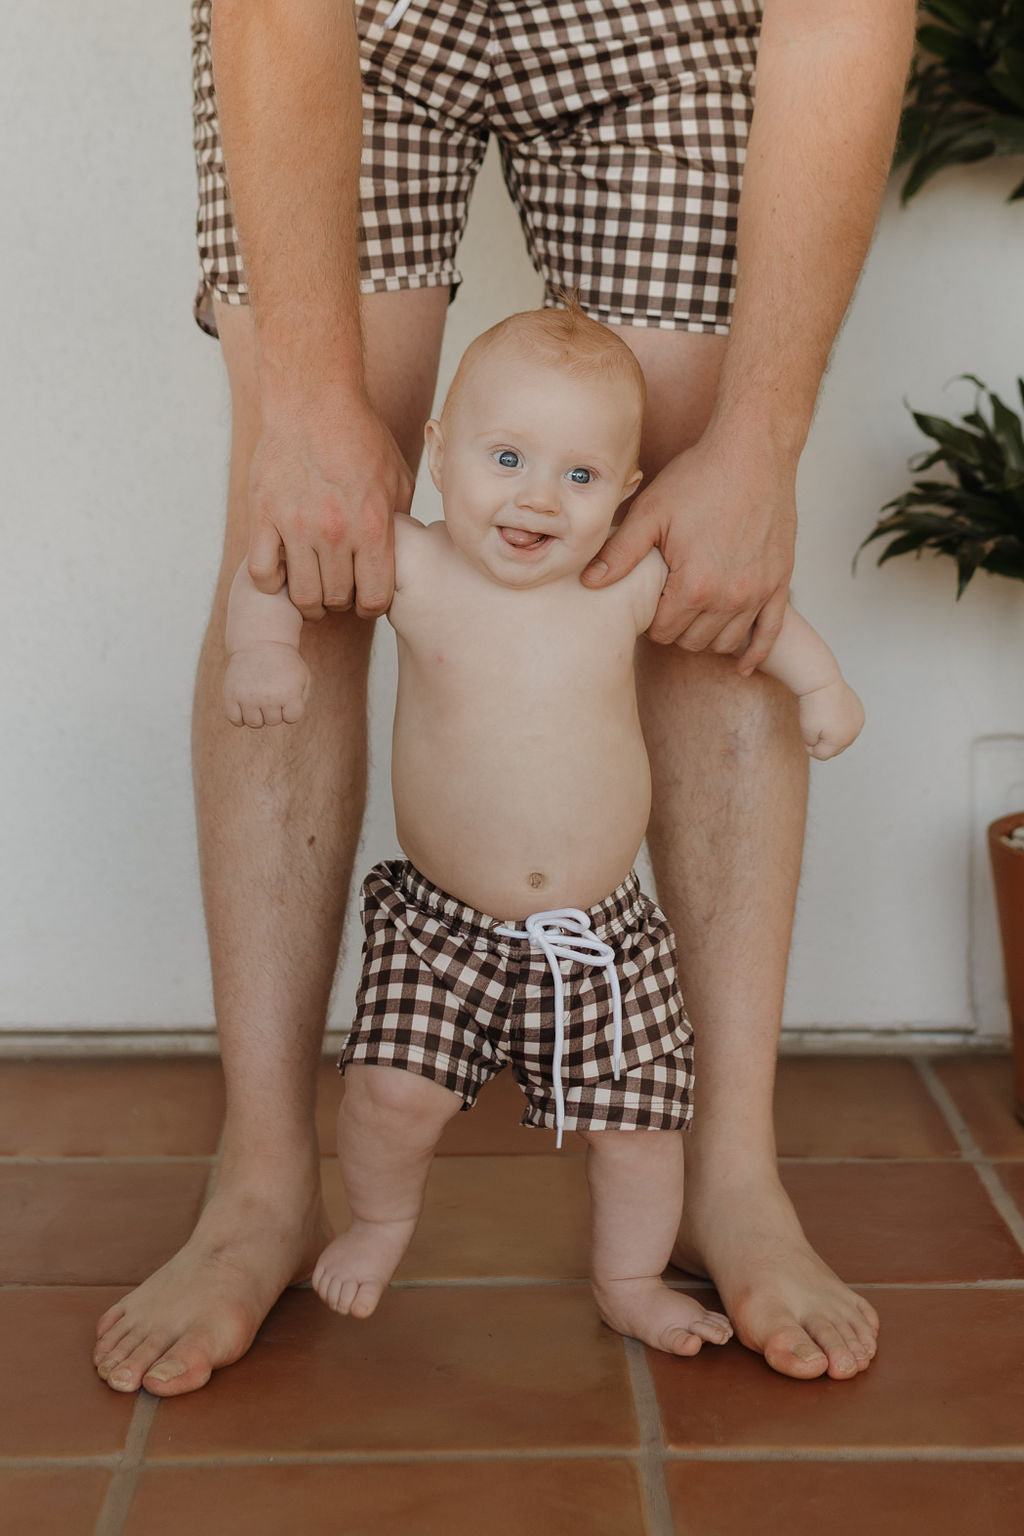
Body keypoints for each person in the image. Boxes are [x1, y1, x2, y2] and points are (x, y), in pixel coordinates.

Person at [93, 0, 915, 1395]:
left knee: (701, 564)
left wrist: (760, 443)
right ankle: (266, 1182)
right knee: (311, 538)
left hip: (668, 22)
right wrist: (303, 401)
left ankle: (732, 1175)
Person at [222, 304, 863, 1353]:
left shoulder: (621, 582)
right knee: (389, 1095)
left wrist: (819, 682)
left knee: (641, 1132)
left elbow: (755, 612)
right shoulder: (416, 566)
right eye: (506, 457)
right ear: (436, 455)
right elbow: (279, 567)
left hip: (604, 934)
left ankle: (628, 1277)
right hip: (444, 930)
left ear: (626, 493)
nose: (534, 497)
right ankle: (379, 1222)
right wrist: (263, 652)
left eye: (578, 476)